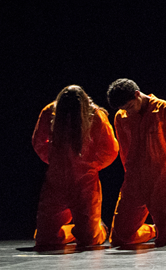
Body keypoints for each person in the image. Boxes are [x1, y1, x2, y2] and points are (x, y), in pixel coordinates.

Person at [32, 85, 119, 247]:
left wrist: (90, 166)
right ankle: (80, 229)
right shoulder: (50, 112)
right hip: (55, 184)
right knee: (45, 239)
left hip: (85, 185)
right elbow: (38, 142)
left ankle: (98, 228)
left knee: (89, 240)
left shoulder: (95, 115)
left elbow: (110, 148)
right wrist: (55, 160)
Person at [106, 78, 166, 246]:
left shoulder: (164, 110)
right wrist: (131, 174)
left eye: (129, 106)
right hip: (134, 181)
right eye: (123, 109)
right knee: (119, 238)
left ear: (137, 94)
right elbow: (124, 149)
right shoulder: (121, 117)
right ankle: (153, 230)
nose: (128, 112)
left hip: (161, 180)